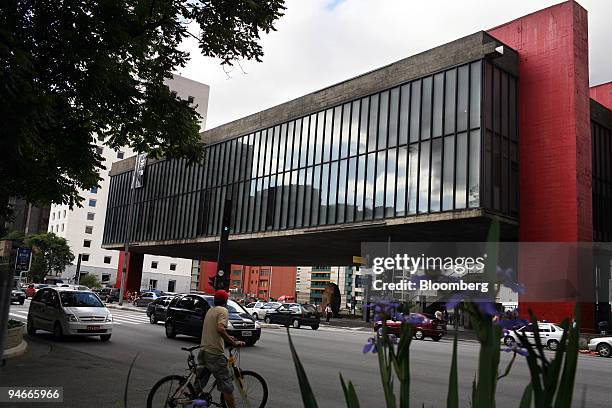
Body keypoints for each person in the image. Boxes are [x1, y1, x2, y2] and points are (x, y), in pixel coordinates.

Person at [196, 290, 245, 408]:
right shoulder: (223, 310)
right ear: (226, 301)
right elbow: (220, 329)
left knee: (198, 384)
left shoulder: (210, 310)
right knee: (227, 386)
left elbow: (216, 330)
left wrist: (228, 337)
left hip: (204, 350)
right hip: (215, 354)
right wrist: (233, 342)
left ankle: (188, 399)